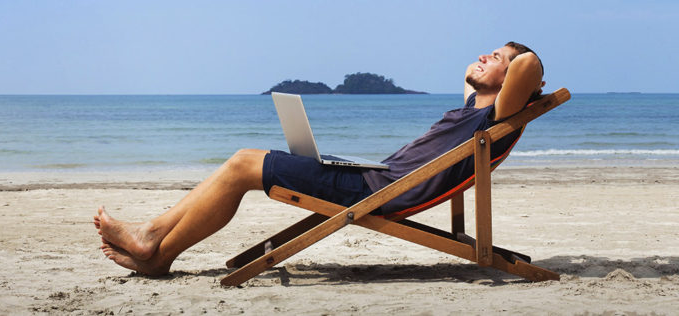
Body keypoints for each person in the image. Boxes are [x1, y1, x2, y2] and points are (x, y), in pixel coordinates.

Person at [94, 42, 546, 275]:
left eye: (498, 57)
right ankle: (154, 243)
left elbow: (525, 68)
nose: (485, 57)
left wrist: (521, 64)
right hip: (374, 177)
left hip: (376, 191)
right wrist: (495, 63)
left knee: (242, 164)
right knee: (247, 159)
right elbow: (471, 76)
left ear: (517, 82)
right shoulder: (474, 105)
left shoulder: (499, 113)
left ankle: (155, 243)